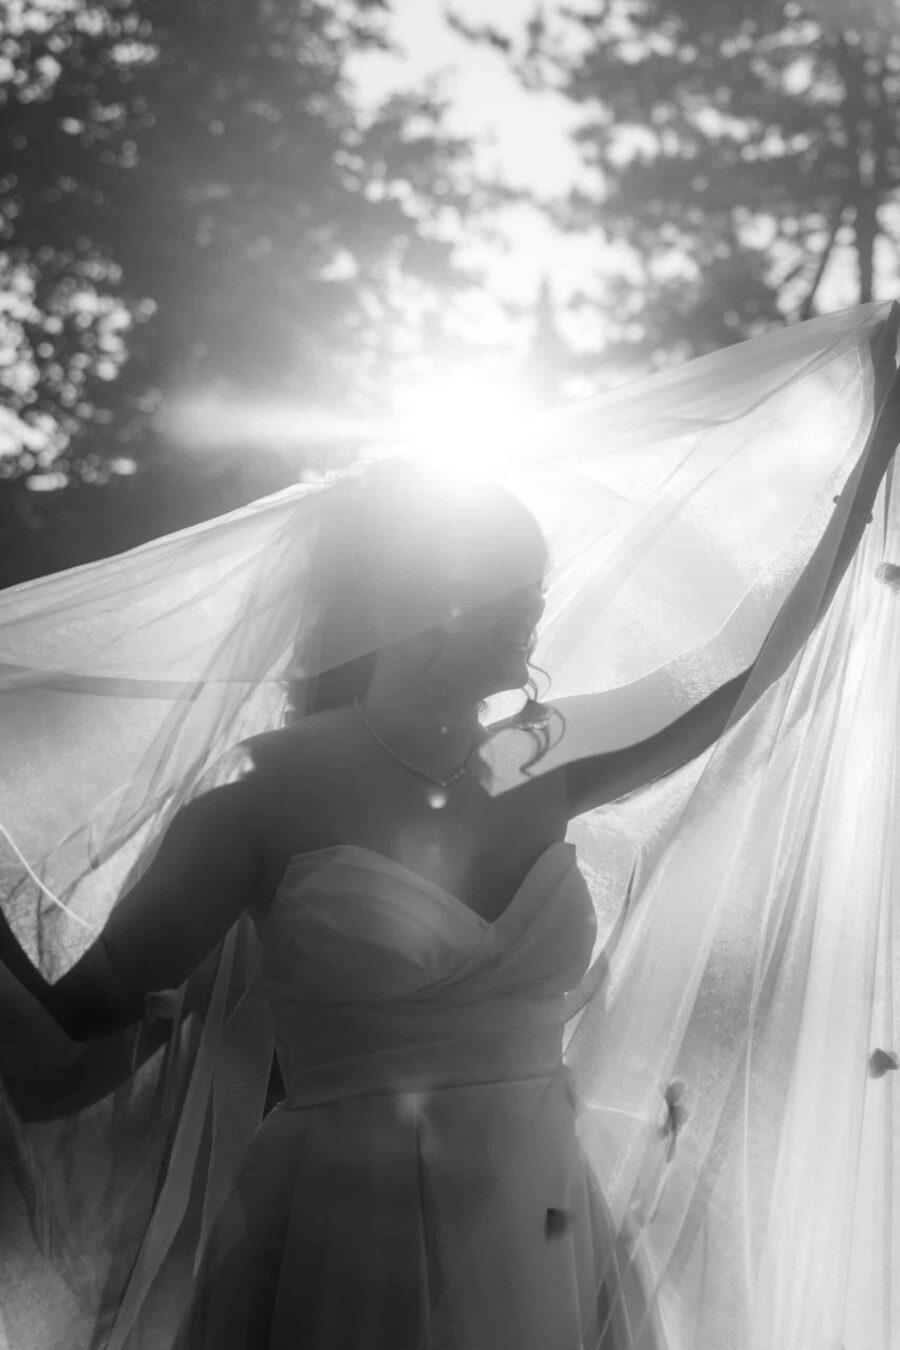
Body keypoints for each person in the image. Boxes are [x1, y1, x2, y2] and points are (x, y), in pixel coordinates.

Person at [0, 302, 898, 1349]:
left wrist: (875, 449)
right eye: (508, 586)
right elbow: (77, 1029)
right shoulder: (256, 810)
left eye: (538, 585)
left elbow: (735, 673)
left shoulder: (521, 760)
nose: (534, 610)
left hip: (547, 1224)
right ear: (415, 598)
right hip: (345, 1238)